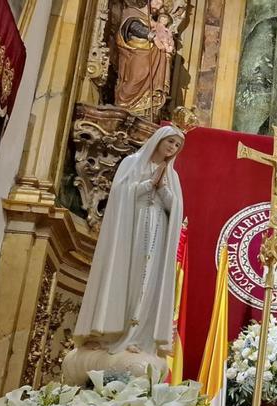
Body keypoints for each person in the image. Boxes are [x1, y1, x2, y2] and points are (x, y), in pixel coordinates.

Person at [70, 126, 185, 382]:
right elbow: (121, 196)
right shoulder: (132, 163)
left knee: (148, 284)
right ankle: (113, 334)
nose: (172, 148)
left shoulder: (172, 176)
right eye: (170, 142)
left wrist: (164, 189)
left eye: (177, 145)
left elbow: (175, 208)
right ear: (158, 140)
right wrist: (148, 185)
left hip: (157, 230)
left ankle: (140, 339)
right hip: (130, 232)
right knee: (127, 278)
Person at [115, 0, 174, 120]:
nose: (158, 8)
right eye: (157, 2)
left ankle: (145, 106)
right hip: (136, 55)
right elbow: (131, 26)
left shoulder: (155, 23)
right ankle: (125, 103)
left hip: (150, 59)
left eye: (161, 6)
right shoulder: (132, 12)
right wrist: (153, 37)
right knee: (135, 79)